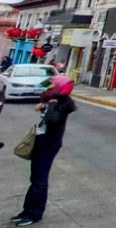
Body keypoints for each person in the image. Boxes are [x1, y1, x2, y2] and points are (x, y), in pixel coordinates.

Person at [10, 75, 77, 226]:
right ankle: (27, 211)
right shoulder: (53, 100)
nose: (48, 88)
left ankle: (34, 214)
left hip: (48, 144)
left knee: (39, 180)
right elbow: (43, 86)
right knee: (35, 179)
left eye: (52, 86)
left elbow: (50, 120)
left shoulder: (62, 103)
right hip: (42, 141)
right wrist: (44, 104)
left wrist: (50, 105)